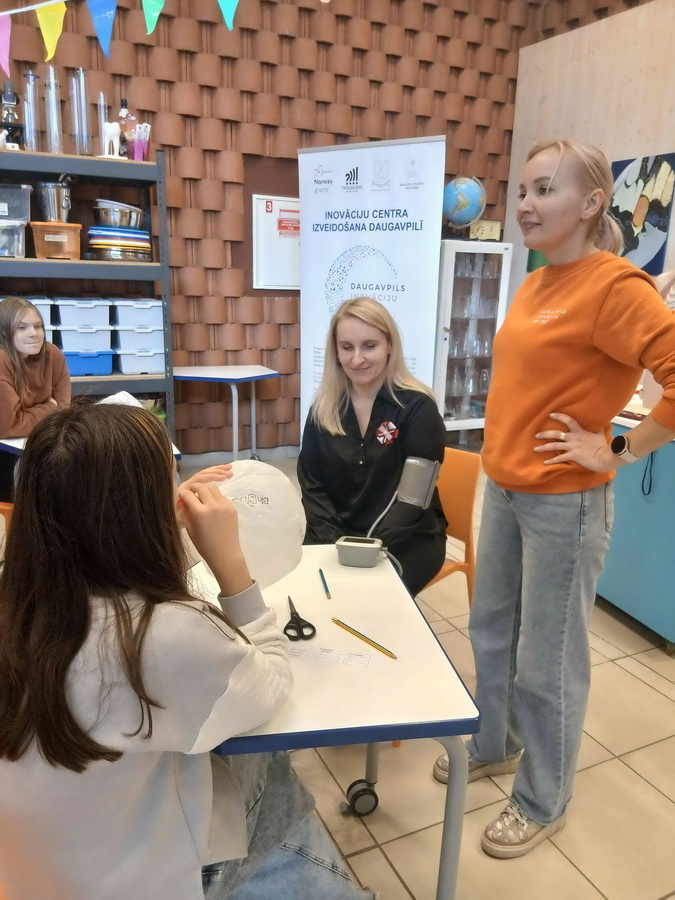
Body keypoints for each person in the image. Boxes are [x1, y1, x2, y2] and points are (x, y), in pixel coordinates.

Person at [0, 403, 374, 900]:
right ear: (141, 512)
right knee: (270, 763)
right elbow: (271, 681)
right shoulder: (167, 633)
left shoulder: (19, 603)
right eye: (168, 480)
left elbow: (105, 567)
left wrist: (156, 523)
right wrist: (230, 562)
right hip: (140, 882)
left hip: (34, 873)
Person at [433, 139, 675, 858]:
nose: (525, 204)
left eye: (544, 190)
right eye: (524, 191)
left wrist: (618, 449)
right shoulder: (538, 281)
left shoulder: (615, 287)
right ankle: (495, 742)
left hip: (564, 506)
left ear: (592, 203)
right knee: (490, 631)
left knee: (547, 660)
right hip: (507, 489)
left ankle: (543, 799)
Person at [298, 297, 447, 597]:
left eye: (369, 346)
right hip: (334, 536)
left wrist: (366, 549)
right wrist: (333, 541)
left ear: (389, 345)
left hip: (406, 537)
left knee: (366, 600)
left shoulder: (418, 408)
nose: (357, 359)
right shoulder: (324, 409)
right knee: (314, 598)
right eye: (347, 347)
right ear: (335, 352)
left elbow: (411, 500)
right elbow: (312, 484)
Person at [0, 296, 70, 501]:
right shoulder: (2, 360)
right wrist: (50, 407)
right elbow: (9, 426)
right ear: (4, 332)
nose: (33, 333)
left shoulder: (53, 354)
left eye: (38, 326)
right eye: (22, 328)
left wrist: (29, 416)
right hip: (5, 452)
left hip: (41, 443)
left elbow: (64, 410)